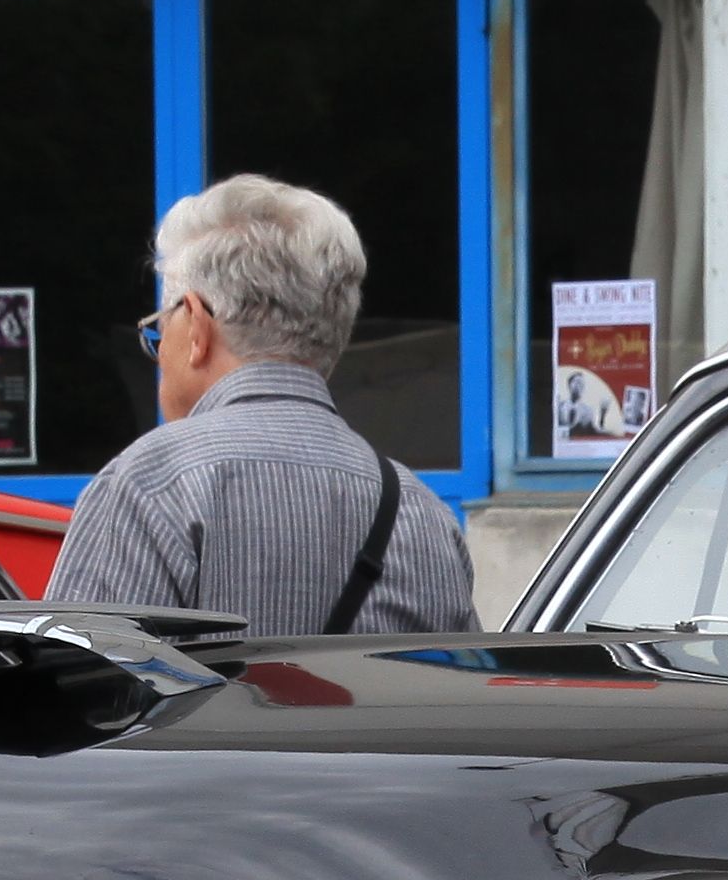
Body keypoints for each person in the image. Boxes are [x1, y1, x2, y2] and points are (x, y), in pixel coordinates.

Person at [47, 175, 476, 639]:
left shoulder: (151, 485)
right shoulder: (424, 513)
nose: (159, 352)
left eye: (158, 327)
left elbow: (71, 697)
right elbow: (466, 700)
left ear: (195, 325)